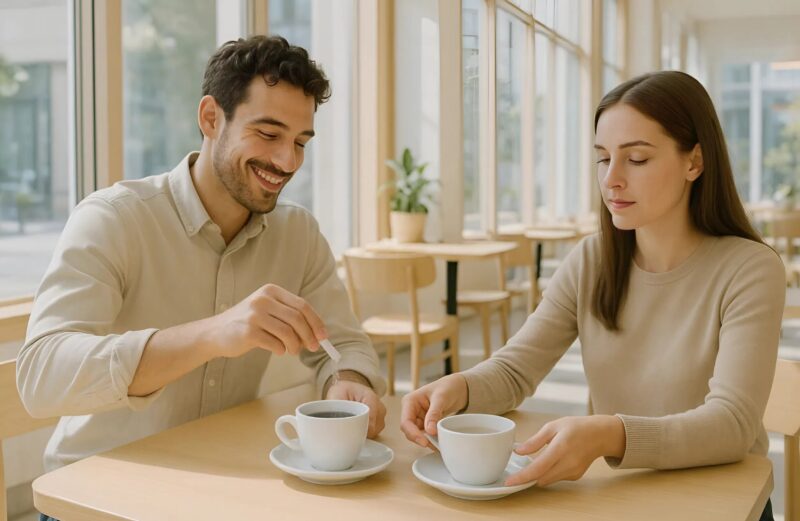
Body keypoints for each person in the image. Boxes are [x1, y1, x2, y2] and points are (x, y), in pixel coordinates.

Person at [400, 71, 784, 521]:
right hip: (621, 496)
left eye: (636, 159)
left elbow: (733, 425)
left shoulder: (750, 269)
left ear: (694, 161)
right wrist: (459, 388)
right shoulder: (591, 260)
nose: (612, 180)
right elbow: (515, 370)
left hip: (722, 502)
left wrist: (609, 435)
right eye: (603, 159)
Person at [17, 35, 387, 486]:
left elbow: (345, 345)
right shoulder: (113, 218)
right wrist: (213, 333)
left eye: (301, 142)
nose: (287, 161)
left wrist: (347, 381)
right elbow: (41, 377)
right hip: (94, 494)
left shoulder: (298, 235)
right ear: (211, 118)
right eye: (268, 134)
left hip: (216, 483)